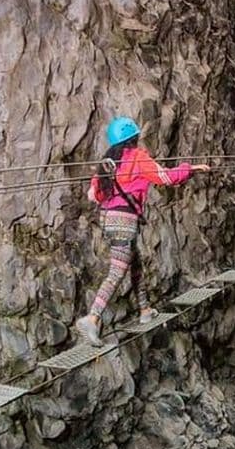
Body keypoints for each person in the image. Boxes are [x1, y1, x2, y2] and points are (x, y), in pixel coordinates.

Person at [75, 117, 210, 346]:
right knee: (117, 271)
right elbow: (165, 177)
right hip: (125, 221)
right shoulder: (138, 158)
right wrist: (191, 169)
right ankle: (92, 317)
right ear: (134, 138)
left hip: (108, 220)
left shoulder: (107, 164)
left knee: (134, 262)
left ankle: (144, 309)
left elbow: (92, 195)